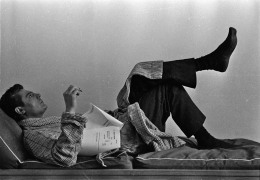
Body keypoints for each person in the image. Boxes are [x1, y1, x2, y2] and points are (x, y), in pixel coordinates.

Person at [0, 27, 237, 167]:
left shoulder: (41, 125)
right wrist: (70, 110)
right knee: (157, 83)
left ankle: (209, 63)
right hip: (124, 137)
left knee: (143, 75)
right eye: (30, 95)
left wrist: (104, 117)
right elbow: (63, 157)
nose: (38, 94)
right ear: (20, 111)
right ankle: (208, 64)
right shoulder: (32, 136)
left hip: (120, 125)